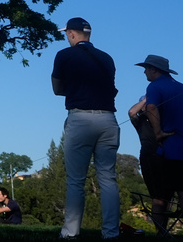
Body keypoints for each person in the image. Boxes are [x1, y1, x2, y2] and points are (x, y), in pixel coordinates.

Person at [51, 17, 120, 239]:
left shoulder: (64, 55)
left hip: (80, 118)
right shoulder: (107, 58)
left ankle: (71, 232)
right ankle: (111, 232)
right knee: (108, 178)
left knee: (76, 180)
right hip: (108, 119)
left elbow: (57, 88)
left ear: (71, 34)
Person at [136, 54, 183, 239]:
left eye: (146, 68)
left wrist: (159, 133)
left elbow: (151, 108)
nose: (145, 71)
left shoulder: (155, 86)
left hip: (176, 148)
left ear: (154, 69)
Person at [129, 93, 166, 229]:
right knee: (157, 197)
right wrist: (146, 99)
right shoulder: (140, 120)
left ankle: (164, 230)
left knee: (167, 197)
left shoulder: (160, 118)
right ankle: (160, 231)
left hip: (166, 157)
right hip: (149, 157)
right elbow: (132, 112)